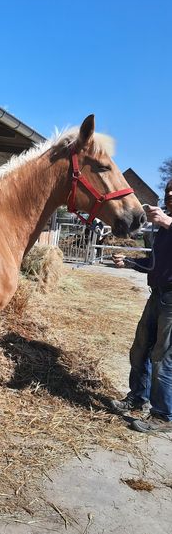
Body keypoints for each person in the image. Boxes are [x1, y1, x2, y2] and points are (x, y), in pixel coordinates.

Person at [110, 181, 172, 433]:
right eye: (168, 191)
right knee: (140, 349)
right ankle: (137, 397)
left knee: (163, 358)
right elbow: (155, 263)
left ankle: (163, 415)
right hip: (157, 296)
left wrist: (169, 222)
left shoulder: (167, 224)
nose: (170, 195)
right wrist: (130, 262)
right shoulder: (163, 230)